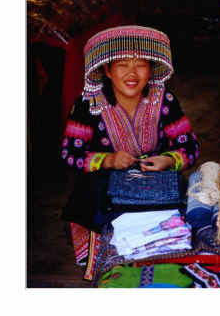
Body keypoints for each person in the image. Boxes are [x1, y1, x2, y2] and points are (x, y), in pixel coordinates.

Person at [60, 25, 200, 267]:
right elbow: (69, 153)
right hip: (102, 196)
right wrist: (107, 160)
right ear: (107, 70)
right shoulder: (89, 103)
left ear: (151, 69)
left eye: (141, 64)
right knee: (111, 262)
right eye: (122, 64)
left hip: (155, 191)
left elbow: (189, 147)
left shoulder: (164, 99)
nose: (132, 73)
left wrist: (167, 160)